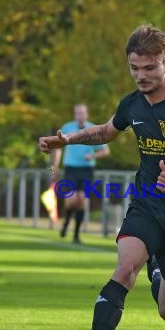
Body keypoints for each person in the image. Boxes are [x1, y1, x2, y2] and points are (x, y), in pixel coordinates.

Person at [38, 25, 165, 330]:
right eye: (135, 68)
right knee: (125, 266)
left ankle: (156, 265)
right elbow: (107, 130)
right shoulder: (132, 104)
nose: (141, 75)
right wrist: (68, 139)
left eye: (149, 68)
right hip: (147, 201)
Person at [51, 103, 110, 244]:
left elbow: (105, 150)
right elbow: (58, 148)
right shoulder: (67, 127)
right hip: (71, 168)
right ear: (74, 114)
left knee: (82, 201)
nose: (80, 116)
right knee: (71, 200)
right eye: (77, 113)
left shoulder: (93, 129)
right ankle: (66, 223)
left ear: (87, 114)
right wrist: (55, 166)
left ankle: (76, 234)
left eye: (82, 113)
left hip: (86, 169)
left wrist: (94, 156)